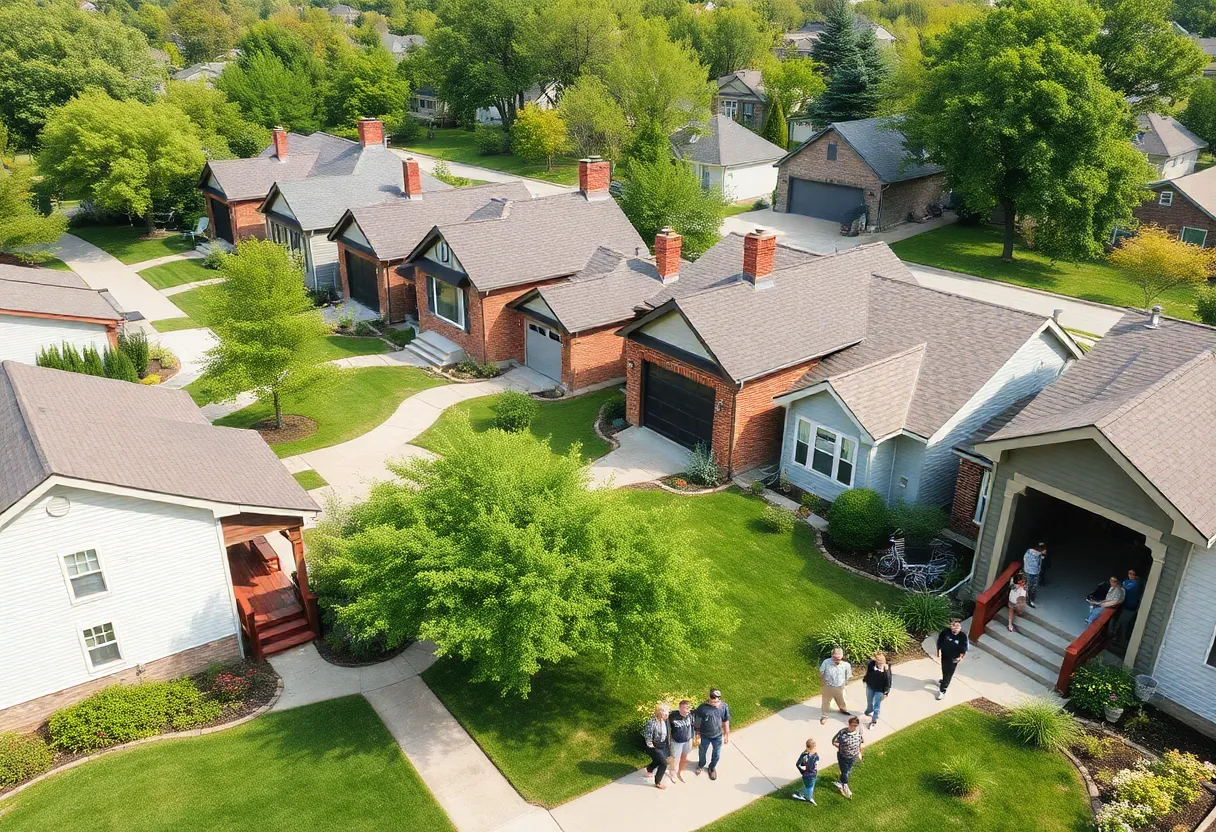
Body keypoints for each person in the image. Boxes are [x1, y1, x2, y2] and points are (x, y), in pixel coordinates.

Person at [694, 688, 730, 780]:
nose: (716, 704)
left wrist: (726, 735)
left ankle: (712, 767)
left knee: (717, 754)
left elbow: (726, 720)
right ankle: (701, 765)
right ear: (709, 699)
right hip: (705, 736)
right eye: (713, 702)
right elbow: (697, 722)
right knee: (702, 752)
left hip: (717, 735)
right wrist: (697, 735)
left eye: (717, 702)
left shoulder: (723, 706)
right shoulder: (702, 708)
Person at [832, 716, 864, 799]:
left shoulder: (859, 732)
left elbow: (861, 742)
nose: (853, 727)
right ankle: (845, 786)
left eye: (855, 725)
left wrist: (860, 753)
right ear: (848, 724)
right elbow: (834, 741)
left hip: (853, 756)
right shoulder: (843, 732)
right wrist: (841, 748)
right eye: (852, 725)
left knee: (848, 770)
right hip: (843, 756)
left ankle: (841, 782)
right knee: (844, 772)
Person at [935, 618, 968, 701]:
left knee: (949, 674)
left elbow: (964, 648)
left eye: (957, 626)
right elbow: (940, 641)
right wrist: (938, 650)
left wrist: (960, 657)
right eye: (953, 625)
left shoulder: (962, 636)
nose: (955, 627)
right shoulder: (946, 632)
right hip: (945, 655)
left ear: (960, 627)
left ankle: (942, 690)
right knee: (944, 669)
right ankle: (943, 680)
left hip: (954, 658)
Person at [818, 647, 852, 725]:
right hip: (827, 686)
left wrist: (845, 684)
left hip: (839, 686)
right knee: (825, 702)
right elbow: (821, 672)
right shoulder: (826, 662)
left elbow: (848, 675)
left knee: (840, 700)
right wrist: (823, 681)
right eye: (834, 657)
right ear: (832, 655)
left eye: (838, 657)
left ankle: (843, 709)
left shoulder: (846, 665)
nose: (836, 659)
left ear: (841, 656)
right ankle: (824, 716)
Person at [642, 703, 670, 790]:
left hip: (662, 745)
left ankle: (649, 768)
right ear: (660, 713)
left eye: (668, 712)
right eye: (665, 712)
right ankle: (658, 782)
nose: (667, 714)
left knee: (658, 760)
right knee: (663, 763)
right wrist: (654, 749)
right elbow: (648, 737)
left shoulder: (663, 721)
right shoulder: (652, 722)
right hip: (653, 746)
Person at [862, 652, 892, 729]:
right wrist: (865, 680)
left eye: (882, 661)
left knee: (877, 705)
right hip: (870, 686)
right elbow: (868, 673)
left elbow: (888, 682)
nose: (881, 662)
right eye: (878, 661)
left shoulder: (886, 670)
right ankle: (868, 712)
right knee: (869, 701)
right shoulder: (871, 665)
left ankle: (874, 720)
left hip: (880, 690)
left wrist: (886, 693)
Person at [668, 699, 695, 782]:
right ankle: (673, 773)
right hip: (676, 742)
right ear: (680, 708)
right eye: (685, 708)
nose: (687, 710)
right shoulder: (672, 716)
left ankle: (680, 771)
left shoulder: (690, 716)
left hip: (687, 741)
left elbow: (693, 726)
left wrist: (693, 737)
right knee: (675, 758)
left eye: (688, 708)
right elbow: (668, 729)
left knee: (684, 757)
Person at [792, 738, 819, 805]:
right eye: (813, 748)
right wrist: (803, 771)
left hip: (813, 774)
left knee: (809, 786)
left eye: (814, 748)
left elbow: (799, 764)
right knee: (810, 788)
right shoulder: (807, 756)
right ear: (808, 748)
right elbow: (798, 764)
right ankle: (810, 799)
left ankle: (799, 793)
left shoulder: (814, 756)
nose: (814, 750)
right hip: (808, 776)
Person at [1022, 542, 1046, 607]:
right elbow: (1037, 563)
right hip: (1032, 572)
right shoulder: (1035, 554)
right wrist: (1041, 554)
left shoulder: (1029, 551)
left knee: (1030, 586)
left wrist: (1041, 554)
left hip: (1028, 571)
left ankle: (1030, 598)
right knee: (1031, 586)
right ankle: (1029, 599)